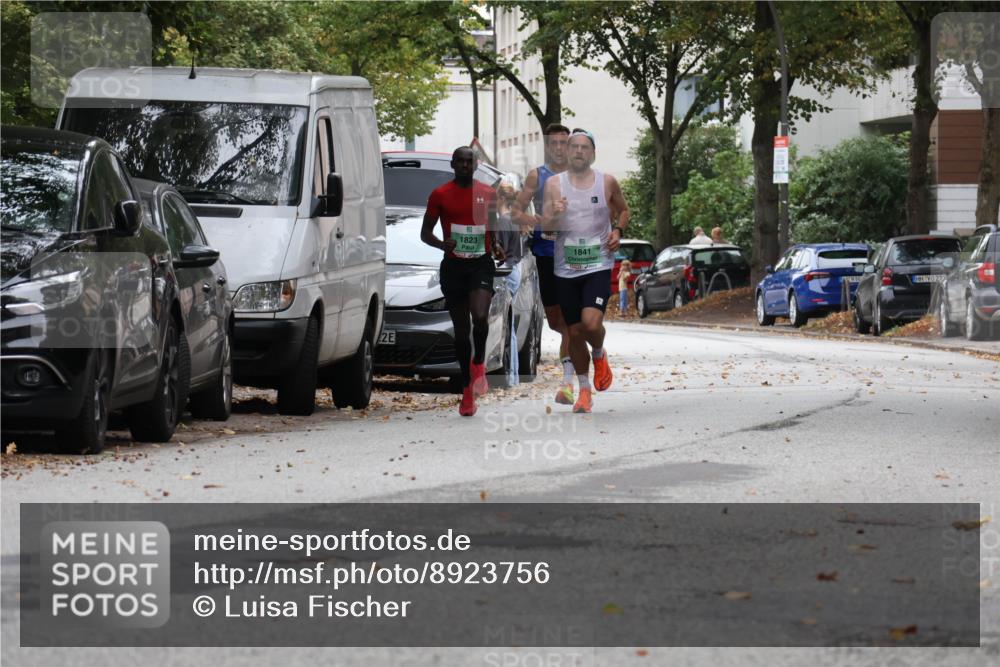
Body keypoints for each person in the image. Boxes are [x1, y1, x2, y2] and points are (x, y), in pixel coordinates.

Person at [541, 129, 630, 414]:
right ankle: (583, 390)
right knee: (576, 332)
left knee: (591, 324)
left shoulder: (607, 182)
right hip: (565, 270)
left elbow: (624, 211)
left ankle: (600, 354)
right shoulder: (554, 185)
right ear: (566, 152)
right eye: (574, 146)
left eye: (584, 147)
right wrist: (554, 213)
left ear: (592, 153)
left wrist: (617, 230)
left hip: (598, 265)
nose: (579, 151)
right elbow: (546, 229)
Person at [421, 146, 506, 416]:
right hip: (454, 266)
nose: (465, 166)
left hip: (480, 264)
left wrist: (496, 248)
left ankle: (479, 362)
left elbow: (491, 230)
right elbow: (425, 233)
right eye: (460, 162)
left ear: (476, 164)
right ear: (453, 164)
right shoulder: (440, 195)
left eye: (470, 162)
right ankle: (467, 391)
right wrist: (441, 244)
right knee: (460, 332)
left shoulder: (488, 194)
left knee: (480, 317)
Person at [511, 124, 577, 406]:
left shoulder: (581, 174)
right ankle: (577, 350)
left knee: (572, 320)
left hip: (573, 254)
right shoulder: (537, 175)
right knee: (555, 322)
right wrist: (533, 221)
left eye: (565, 143)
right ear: (548, 145)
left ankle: (569, 381)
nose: (560, 148)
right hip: (545, 252)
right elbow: (514, 211)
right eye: (555, 143)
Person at [495, 180, 524, 386]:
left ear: (501, 199)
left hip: (507, 271)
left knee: (507, 325)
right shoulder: (513, 220)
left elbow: (500, 253)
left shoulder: (503, 222)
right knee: (510, 324)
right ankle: (513, 374)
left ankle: (512, 374)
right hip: (515, 269)